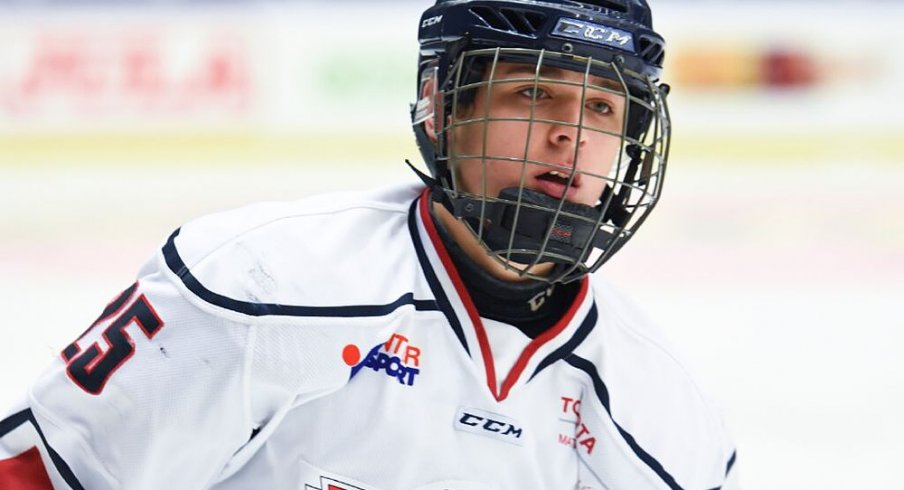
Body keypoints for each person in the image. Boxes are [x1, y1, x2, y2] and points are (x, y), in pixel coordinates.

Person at [0, 1, 738, 489]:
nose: (571, 135)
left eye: (605, 108)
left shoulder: (663, 416)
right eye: (534, 92)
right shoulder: (262, 286)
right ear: (442, 110)